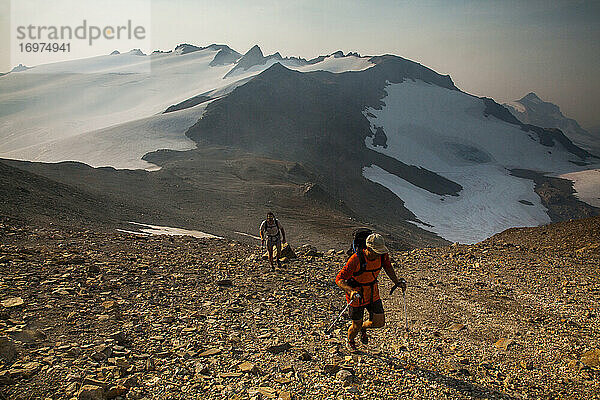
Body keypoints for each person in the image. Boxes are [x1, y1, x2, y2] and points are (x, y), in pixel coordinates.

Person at [335, 233, 406, 352]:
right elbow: (339, 279)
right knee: (355, 325)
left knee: (379, 322)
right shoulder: (356, 259)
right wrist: (351, 291)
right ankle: (350, 341)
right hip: (356, 295)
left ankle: (363, 327)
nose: (379, 254)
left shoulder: (382, 256)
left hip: (373, 292)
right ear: (368, 248)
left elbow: (388, 267)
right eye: (376, 251)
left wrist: (397, 282)